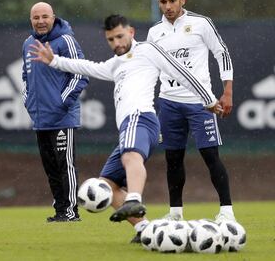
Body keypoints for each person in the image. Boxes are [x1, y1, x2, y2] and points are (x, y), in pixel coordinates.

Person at [29, 14, 222, 242]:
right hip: (129, 129)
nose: (116, 43)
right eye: (111, 39)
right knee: (107, 186)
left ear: (131, 32)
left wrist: (208, 99)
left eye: (120, 36)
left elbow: (182, 72)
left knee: (131, 156)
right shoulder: (116, 64)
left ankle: (133, 200)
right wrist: (54, 61)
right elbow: (88, 67)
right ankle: (146, 231)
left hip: (140, 118)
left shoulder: (148, 50)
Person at [147, 0, 235, 222]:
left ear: (182, 0)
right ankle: (175, 213)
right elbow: (152, 68)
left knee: (210, 155)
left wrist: (227, 91)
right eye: (163, 2)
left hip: (201, 103)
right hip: (168, 104)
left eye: (172, 0)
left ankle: (227, 211)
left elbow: (222, 52)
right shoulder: (155, 32)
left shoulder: (201, 23)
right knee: (173, 159)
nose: (168, 6)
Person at [21, 2, 89, 222]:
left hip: (62, 117)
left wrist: (61, 103)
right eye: (36, 17)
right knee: (50, 167)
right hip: (40, 119)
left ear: (53, 17)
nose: (40, 21)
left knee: (65, 165)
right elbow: (25, 78)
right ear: (31, 19)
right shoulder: (28, 44)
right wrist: (29, 102)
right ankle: (60, 210)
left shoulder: (66, 40)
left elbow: (80, 74)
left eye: (45, 17)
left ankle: (71, 212)